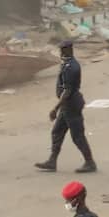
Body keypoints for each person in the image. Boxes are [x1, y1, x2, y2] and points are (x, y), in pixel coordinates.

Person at [36, 40, 97, 173]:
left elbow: (68, 91)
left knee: (78, 136)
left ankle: (90, 162)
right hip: (67, 106)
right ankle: (52, 161)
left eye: (64, 49)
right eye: (61, 49)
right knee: (57, 132)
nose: (61, 52)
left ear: (70, 49)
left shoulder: (72, 67)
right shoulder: (67, 64)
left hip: (71, 105)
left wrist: (55, 108)